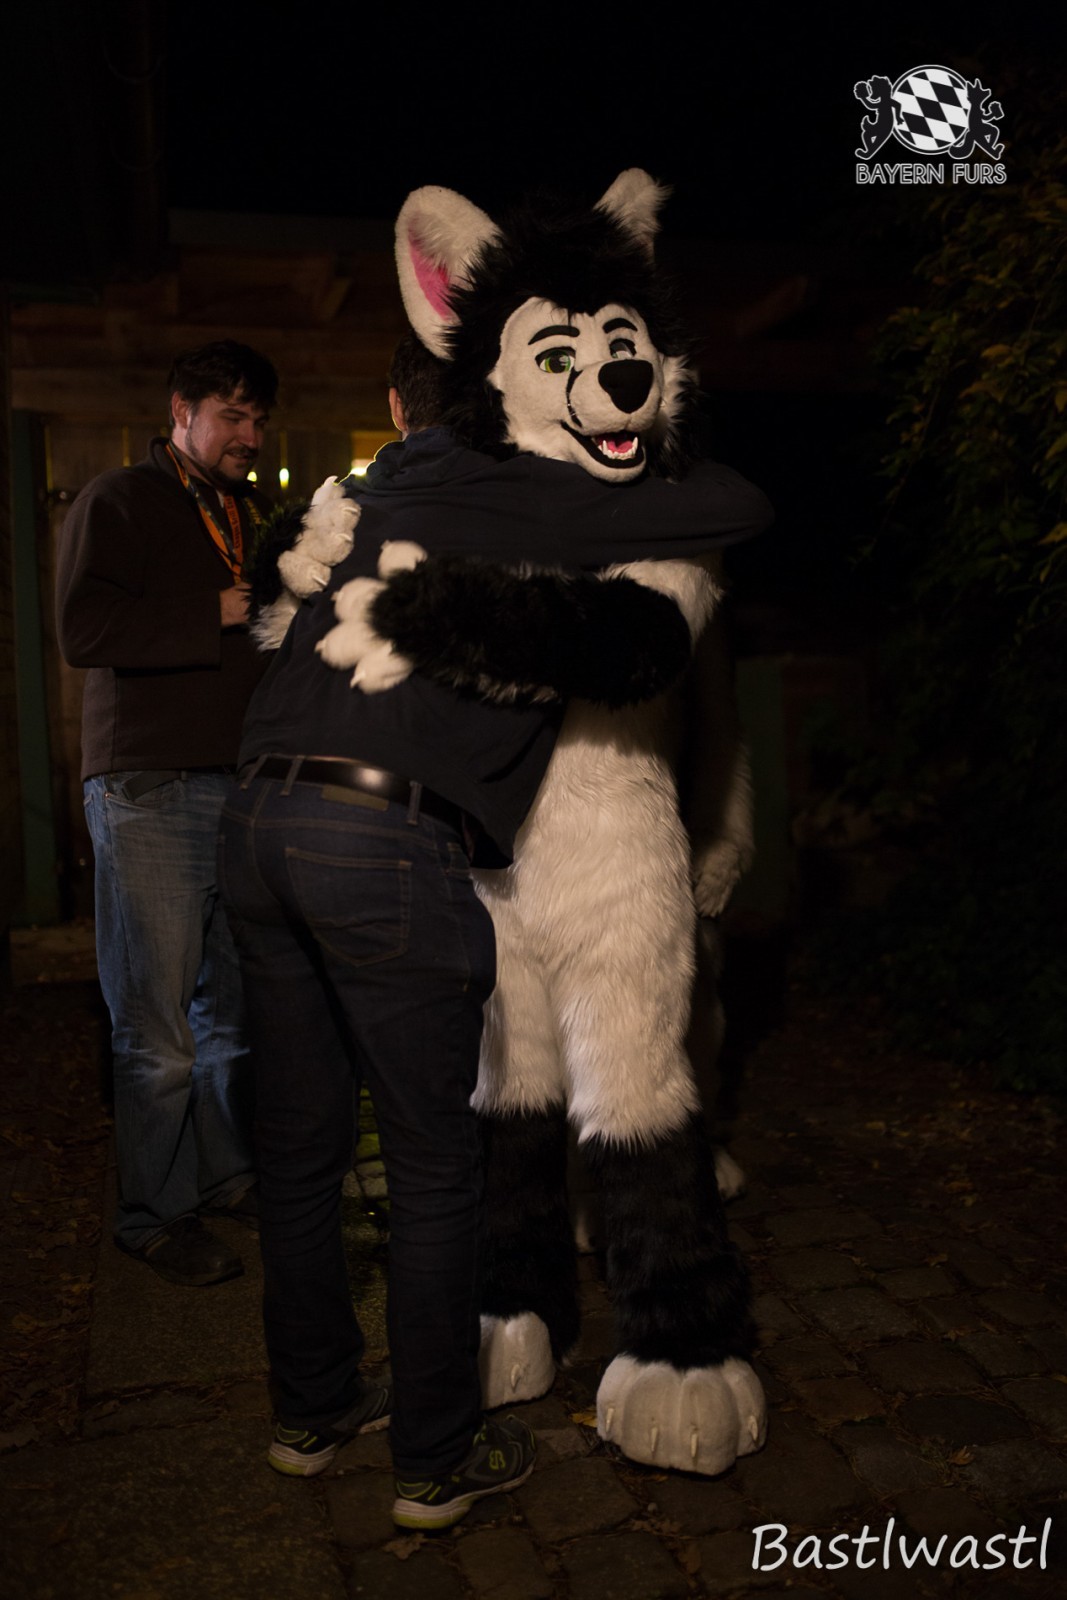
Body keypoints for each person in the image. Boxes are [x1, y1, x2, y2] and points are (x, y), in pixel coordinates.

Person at [220, 333, 769, 1524]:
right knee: (439, 1152)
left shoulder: (372, 489)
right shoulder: (505, 491)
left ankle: (312, 1411)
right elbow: (707, 536)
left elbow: (268, 605)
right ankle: (432, 1453)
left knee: (303, 1151)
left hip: (257, 814)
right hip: (384, 836)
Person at [56, 339, 279, 1288]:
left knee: (227, 1010)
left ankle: (225, 1176)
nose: (248, 435)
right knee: (155, 1022)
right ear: (180, 412)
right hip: (149, 787)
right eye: (231, 415)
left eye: (257, 418)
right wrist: (212, 613)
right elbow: (82, 629)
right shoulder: (122, 498)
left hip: (236, 787)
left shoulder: (247, 513)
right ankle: (153, 1214)